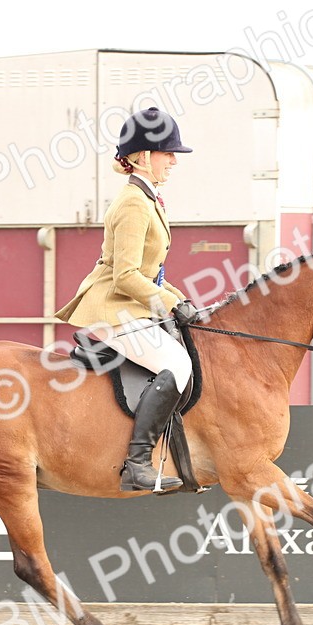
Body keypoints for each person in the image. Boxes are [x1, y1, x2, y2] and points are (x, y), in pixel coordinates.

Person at [54, 107, 200, 493]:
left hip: (131, 302)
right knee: (176, 364)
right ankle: (137, 465)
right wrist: (169, 303)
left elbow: (151, 275)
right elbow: (127, 275)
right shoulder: (134, 203)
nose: (173, 161)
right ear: (142, 156)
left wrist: (182, 300)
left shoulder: (148, 198)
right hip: (114, 306)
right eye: (167, 153)